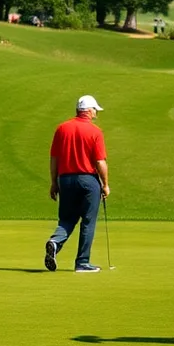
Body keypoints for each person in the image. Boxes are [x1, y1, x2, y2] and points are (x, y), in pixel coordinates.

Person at [45, 95, 110, 273]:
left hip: (65, 179)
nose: (96, 112)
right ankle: (82, 262)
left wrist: (54, 182)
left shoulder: (62, 129)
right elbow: (100, 162)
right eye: (95, 109)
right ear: (88, 111)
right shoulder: (95, 131)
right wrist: (105, 184)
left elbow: (54, 158)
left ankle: (55, 242)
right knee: (88, 221)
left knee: (67, 218)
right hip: (88, 180)